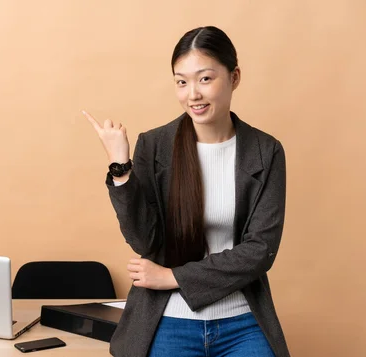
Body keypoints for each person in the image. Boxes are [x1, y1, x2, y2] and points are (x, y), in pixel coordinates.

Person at [83, 26, 290, 357]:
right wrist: (121, 168)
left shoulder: (266, 152)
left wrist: (173, 277)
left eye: (205, 79)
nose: (192, 94)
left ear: (234, 77)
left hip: (241, 321)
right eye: (182, 82)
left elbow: (260, 250)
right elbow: (145, 242)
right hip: (168, 319)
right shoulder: (155, 145)